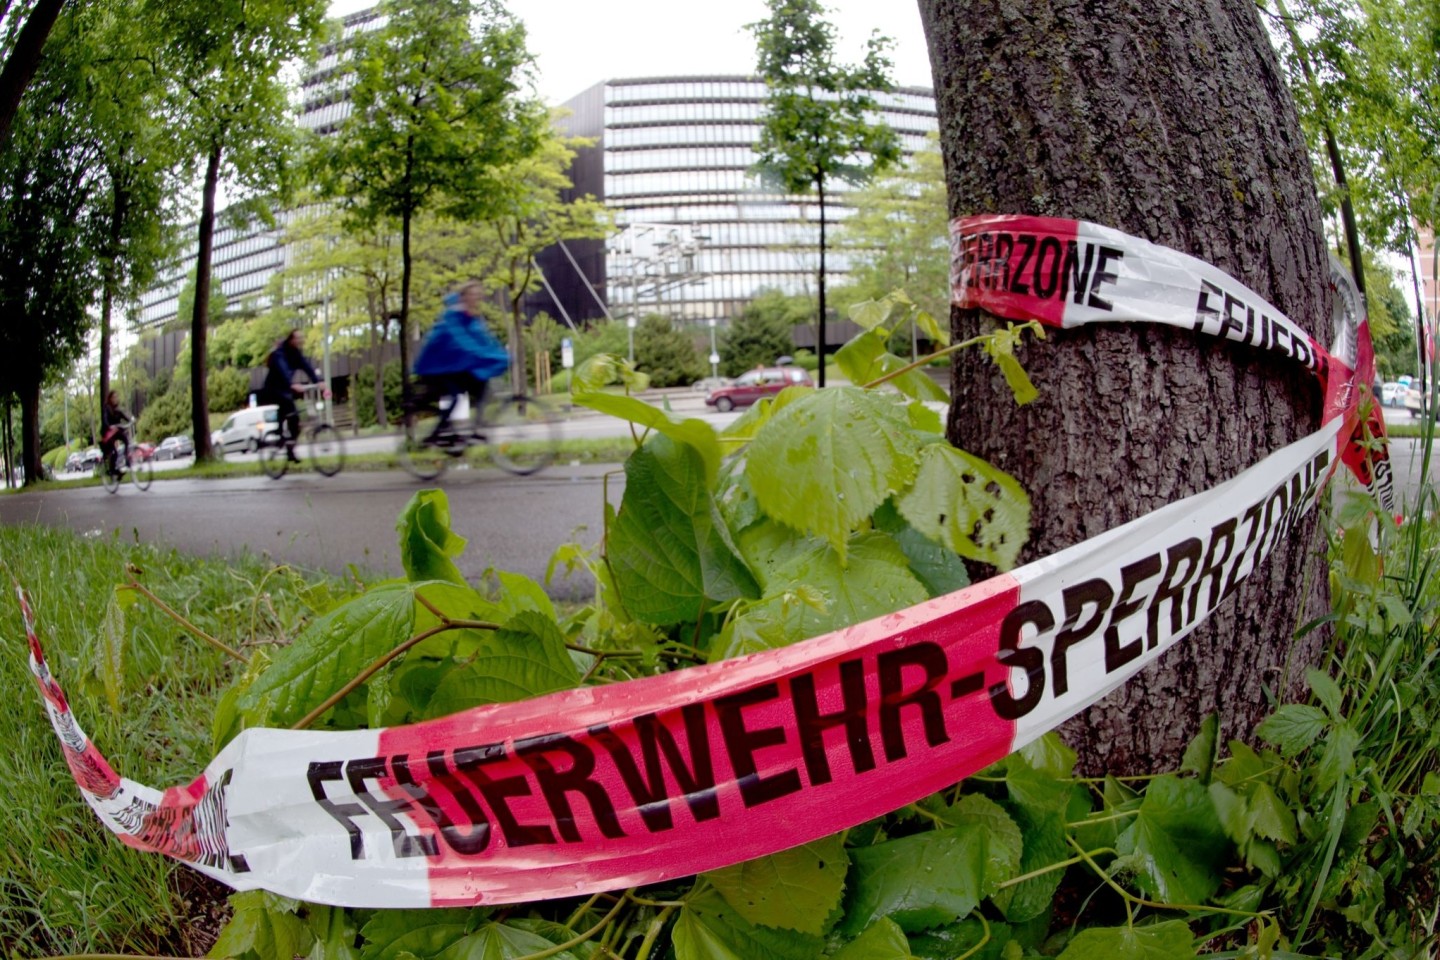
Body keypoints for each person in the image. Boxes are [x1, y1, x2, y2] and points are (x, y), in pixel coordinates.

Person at [413, 281, 510, 439]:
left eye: (478, 296)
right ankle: (435, 435)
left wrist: (502, 354)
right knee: (456, 395)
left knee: (481, 384)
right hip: (434, 368)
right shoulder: (452, 316)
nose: (476, 299)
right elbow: (464, 343)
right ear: (463, 296)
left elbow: (485, 340)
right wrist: (489, 357)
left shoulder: (471, 318)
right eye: (472, 295)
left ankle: (476, 429)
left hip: (453, 367)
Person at [260, 330, 323, 463]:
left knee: (295, 422)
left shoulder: (296, 354)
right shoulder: (279, 353)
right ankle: (282, 443)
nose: (301, 340)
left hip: (286, 390)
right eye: (298, 338)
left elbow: (307, 367)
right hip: (273, 390)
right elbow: (283, 370)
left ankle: (287, 447)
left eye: (302, 337)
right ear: (291, 340)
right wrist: (292, 384)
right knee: (291, 416)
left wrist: (318, 381)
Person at [99, 390, 132, 476]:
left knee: (126, 440)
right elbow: (105, 419)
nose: (115, 399)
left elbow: (124, 416)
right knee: (114, 452)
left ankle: (126, 458)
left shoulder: (117, 410)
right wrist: (109, 426)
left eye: (116, 397)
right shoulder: (107, 408)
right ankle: (112, 470)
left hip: (116, 431)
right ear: (110, 399)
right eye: (113, 397)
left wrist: (131, 420)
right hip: (108, 434)